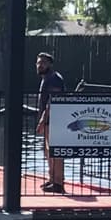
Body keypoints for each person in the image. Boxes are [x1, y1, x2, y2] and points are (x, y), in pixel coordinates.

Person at [36, 52, 66, 193]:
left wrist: (42, 119)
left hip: (55, 120)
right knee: (48, 151)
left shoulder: (54, 79)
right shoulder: (45, 78)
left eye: (43, 63)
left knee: (56, 152)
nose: (40, 65)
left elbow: (52, 101)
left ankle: (58, 183)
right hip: (48, 121)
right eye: (38, 63)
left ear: (50, 64)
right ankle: (52, 179)